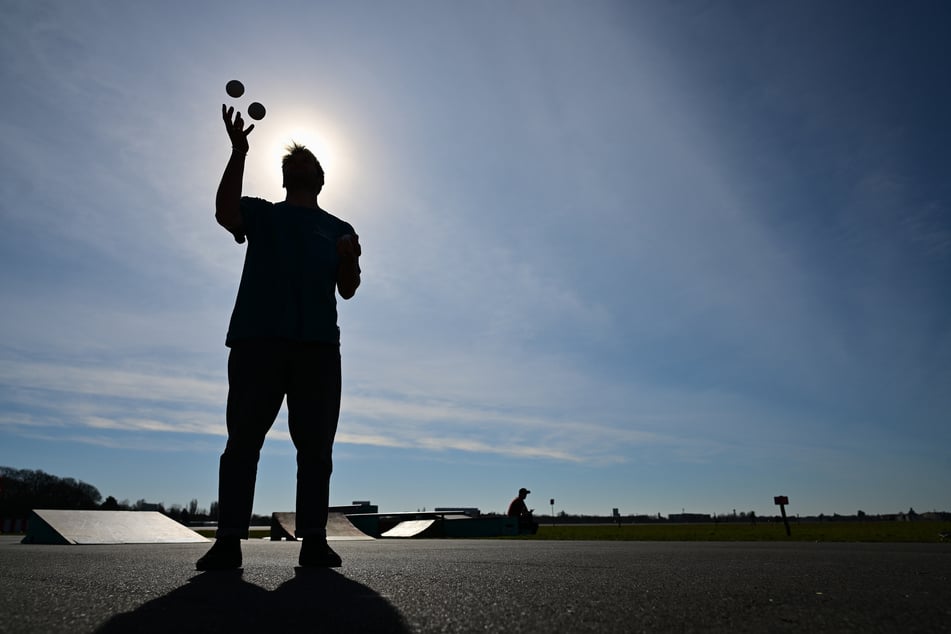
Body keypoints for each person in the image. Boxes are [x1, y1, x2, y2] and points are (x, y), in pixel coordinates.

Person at [196, 105, 361, 571]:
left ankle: (313, 540)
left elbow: (348, 288)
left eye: (308, 161)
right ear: (286, 178)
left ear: (321, 179)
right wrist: (238, 151)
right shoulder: (262, 215)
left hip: (318, 349)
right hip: (257, 341)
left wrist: (347, 258)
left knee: (315, 449)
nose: (301, 164)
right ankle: (228, 540)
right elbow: (225, 212)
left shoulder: (340, 229)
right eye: (294, 162)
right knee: (243, 442)